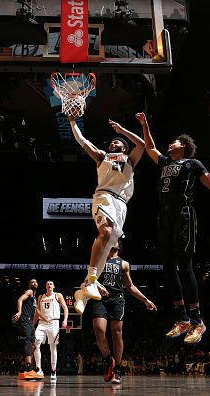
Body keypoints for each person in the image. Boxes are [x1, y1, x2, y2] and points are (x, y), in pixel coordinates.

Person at [141, 112, 210, 344]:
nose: (170, 143)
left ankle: (198, 321)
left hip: (183, 215)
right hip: (164, 217)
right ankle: (182, 318)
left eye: (174, 141)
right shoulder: (166, 162)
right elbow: (150, 148)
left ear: (183, 145)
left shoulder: (192, 163)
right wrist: (145, 125)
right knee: (167, 266)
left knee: (184, 266)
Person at [68, 115, 145, 313]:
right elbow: (83, 142)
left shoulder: (130, 160)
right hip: (104, 197)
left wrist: (122, 131)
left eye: (117, 141)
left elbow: (142, 144)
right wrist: (73, 122)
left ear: (124, 148)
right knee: (106, 232)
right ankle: (92, 278)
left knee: (107, 250)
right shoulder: (102, 156)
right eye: (112, 141)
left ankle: (84, 291)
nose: (114, 142)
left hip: (122, 205)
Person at [90, 239, 157, 384]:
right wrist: (98, 285)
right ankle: (108, 360)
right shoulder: (99, 257)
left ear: (119, 245)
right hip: (100, 297)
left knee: (117, 332)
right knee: (99, 329)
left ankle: (118, 368)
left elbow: (130, 286)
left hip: (117, 299)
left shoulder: (124, 264)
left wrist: (145, 300)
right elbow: (89, 278)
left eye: (115, 240)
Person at [33, 280, 68, 381]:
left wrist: (65, 320)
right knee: (36, 343)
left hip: (54, 323)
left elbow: (65, 308)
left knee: (52, 347)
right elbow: (37, 313)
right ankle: (39, 369)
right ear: (45, 286)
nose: (49, 285)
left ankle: (53, 370)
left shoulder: (58, 295)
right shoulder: (40, 297)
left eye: (51, 284)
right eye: (47, 284)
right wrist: (32, 325)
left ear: (54, 286)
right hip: (41, 323)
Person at [11, 279, 44, 380]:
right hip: (24, 319)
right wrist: (19, 312)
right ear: (29, 285)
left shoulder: (34, 298)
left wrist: (33, 324)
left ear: (37, 285)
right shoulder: (29, 292)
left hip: (29, 322)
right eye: (32, 282)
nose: (34, 283)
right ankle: (29, 368)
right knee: (27, 342)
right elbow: (19, 300)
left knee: (33, 344)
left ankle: (25, 368)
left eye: (35, 282)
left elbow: (36, 312)